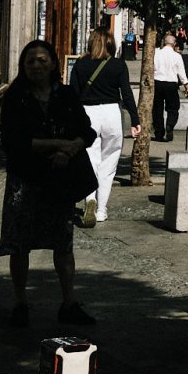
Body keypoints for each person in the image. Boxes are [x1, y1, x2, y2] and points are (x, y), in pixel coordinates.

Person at [0, 38, 98, 327]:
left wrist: (71, 149)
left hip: (59, 182)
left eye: (42, 60)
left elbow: (86, 131)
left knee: (63, 244)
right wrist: (58, 144)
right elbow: (13, 141)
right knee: (19, 245)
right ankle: (20, 303)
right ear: (22, 66)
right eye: (30, 61)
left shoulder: (65, 95)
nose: (37, 66)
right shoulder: (15, 97)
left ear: (53, 63)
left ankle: (69, 302)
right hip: (25, 181)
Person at [70, 30, 141, 227]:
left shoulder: (80, 64)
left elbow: (73, 94)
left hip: (87, 113)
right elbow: (126, 94)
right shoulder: (118, 65)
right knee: (109, 162)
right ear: (112, 44)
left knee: (90, 159)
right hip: (111, 113)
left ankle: (90, 198)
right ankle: (101, 210)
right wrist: (135, 121)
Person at [152, 31, 188, 142]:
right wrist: (187, 87)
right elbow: (181, 73)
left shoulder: (156, 53)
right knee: (173, 108)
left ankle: (159, 132)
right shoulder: (177, 56)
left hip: (157, 82)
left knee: (157, 109)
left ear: (164, 42)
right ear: (174, 44)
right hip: (171, 84)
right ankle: (170, 124)